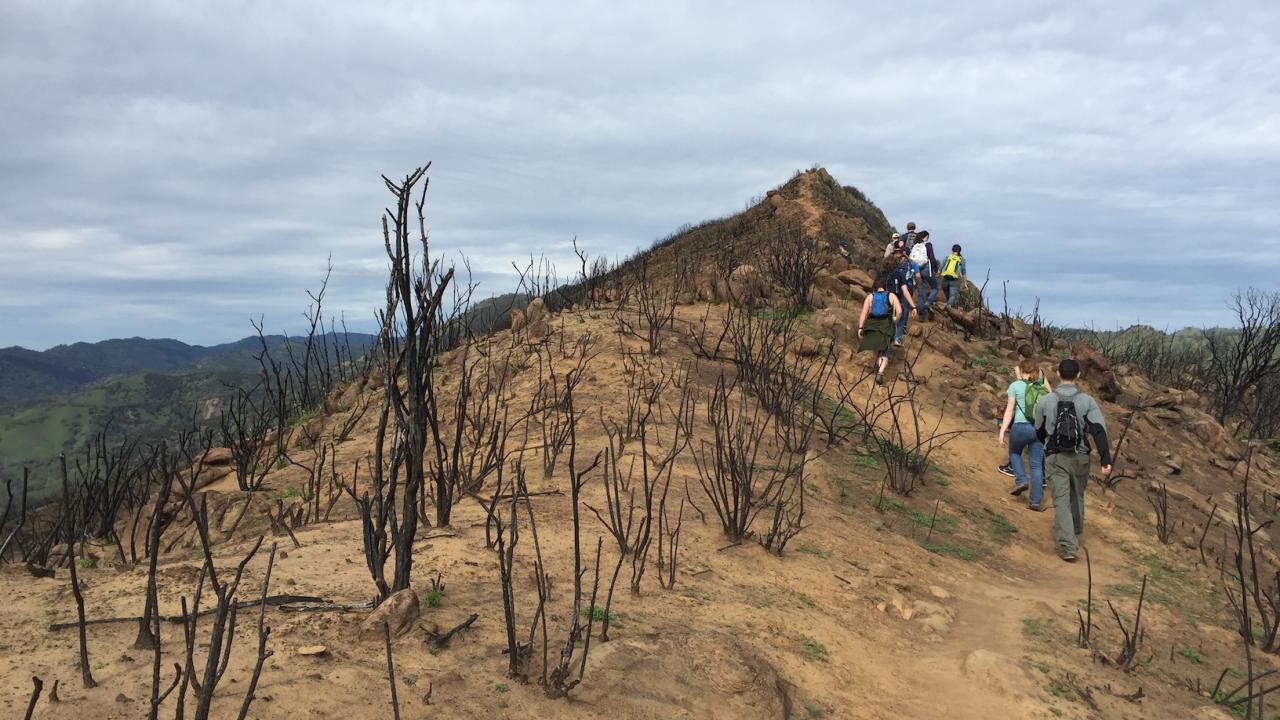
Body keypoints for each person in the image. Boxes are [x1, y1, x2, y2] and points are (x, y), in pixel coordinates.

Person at [1033, 359, 1113, 562]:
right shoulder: (1087, 401)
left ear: (1058, 374)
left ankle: (1069, 547)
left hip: (1055, 456)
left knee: (1060, 499)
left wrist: (1048, 444)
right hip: (1081, 457)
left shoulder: (1046, 400)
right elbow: (1099, 431)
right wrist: (1106, 459)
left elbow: (1039, 430)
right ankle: (1075, 533)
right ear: (1078, 375)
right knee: (1077, 496)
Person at [998, 359, 1052, 511]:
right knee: (1036, 464)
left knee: (1015, 453)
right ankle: (1035, 501)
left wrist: (1002, 431)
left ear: (1021, 370)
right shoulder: (1042, 388)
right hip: (1039, 430)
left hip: (1020, 427)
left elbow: (1009, 410)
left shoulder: (1015, 386)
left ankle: (1021, 480)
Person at [857, 270, 902, 385]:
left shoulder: (870, 297)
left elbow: (864, 313)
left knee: (877, 347)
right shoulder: (891, 296)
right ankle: (880, 371)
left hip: (872, 325)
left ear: (875, 287)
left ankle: (876, 368)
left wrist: (861, 328)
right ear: (885, 286)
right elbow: (900, 311)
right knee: (884, 350)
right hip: (886, 325)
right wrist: (895, 321)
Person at [888, 249, 919, 346]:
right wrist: (916, 284)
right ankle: (898, 336)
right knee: (903, 310)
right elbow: (918, 276)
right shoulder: (912, 263)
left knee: (894, 310)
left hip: (895, 290)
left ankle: (891, 334)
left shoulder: (892, 264)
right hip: (906, 288)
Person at [910, 230, 939, 319]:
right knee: (935, 288)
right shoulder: (928, 245)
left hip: (917, 270)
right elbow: (932, 258)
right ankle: (928, 302)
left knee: (920, 293)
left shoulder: (914, 246)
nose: (928, 239)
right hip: (926, 268)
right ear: (924, 237)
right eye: (927, 237)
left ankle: (921, 316)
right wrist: (936, 269)